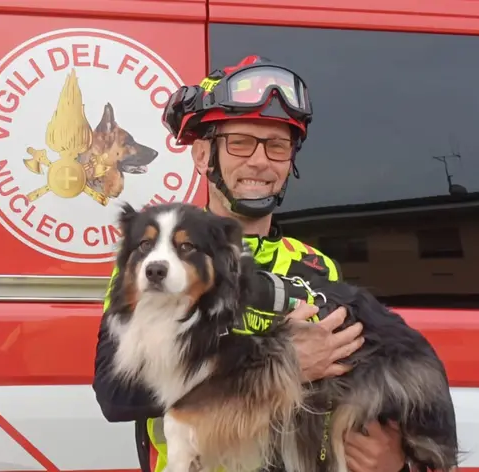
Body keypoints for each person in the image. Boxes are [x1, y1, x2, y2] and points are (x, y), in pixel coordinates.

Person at [92, 55, 407, 472]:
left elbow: (351, 390)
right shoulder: (155, 262)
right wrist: (279, 365)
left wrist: (392, 458)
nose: (260, 161)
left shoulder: (316, 267)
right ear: (203, 155)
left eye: (277, 145)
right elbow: (115, 394)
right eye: (240, 142)